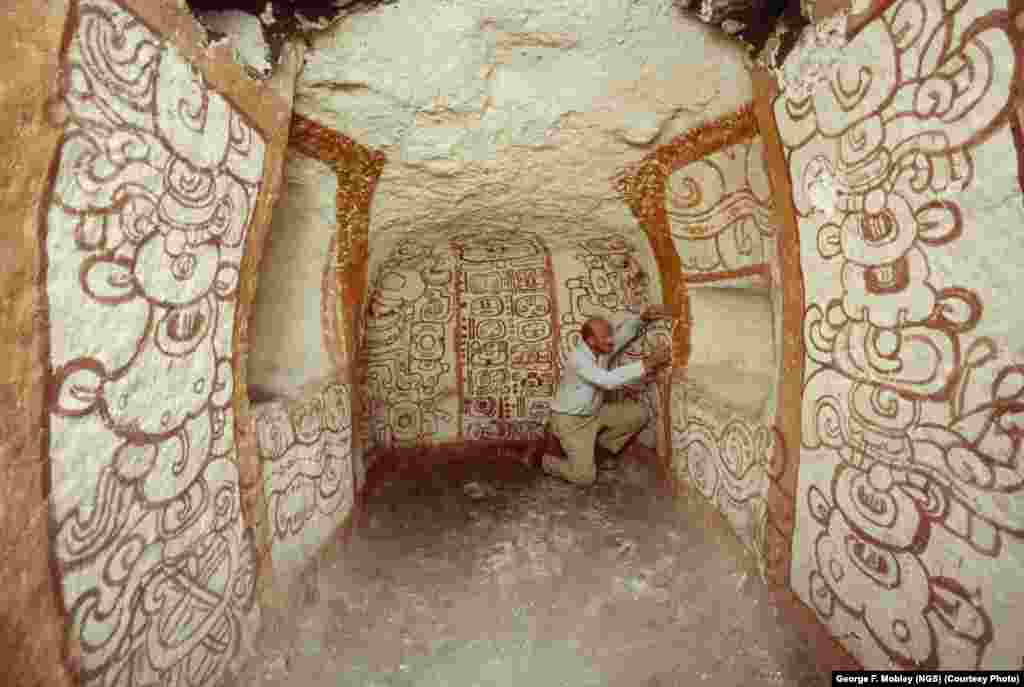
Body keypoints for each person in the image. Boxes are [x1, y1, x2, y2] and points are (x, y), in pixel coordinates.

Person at [541, 305, 674, 486]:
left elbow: (623, 336)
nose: (612, 340)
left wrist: (643, 319)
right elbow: (607, 381)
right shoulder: (578, 359)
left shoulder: (602, 348)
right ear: (590, 341)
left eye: (610, 335)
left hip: (594, 413)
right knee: (585, 477)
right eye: (606, 337)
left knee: (639, 415)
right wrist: (649, 362)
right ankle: (548, 462)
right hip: (571, 421)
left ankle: (599, 451)